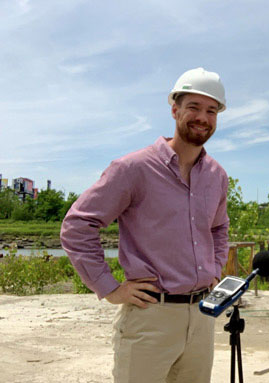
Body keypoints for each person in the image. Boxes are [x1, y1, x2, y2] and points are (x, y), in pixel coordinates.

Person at [61, 67, 230, 383]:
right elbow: (78, 225)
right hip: (151, 316)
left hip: (202, 316)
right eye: (193, 107)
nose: (202, 118)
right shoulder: (133, 168)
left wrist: (215, 267)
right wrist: (109, 288)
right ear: (174, 109)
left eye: (211, 110)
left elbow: (219, 228)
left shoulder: (216, 175)